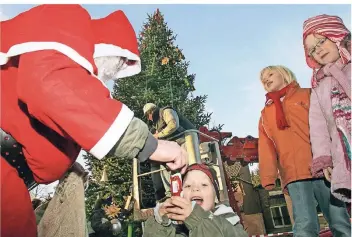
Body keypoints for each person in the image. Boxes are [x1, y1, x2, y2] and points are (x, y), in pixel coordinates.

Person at [0, 5, 187, 237]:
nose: (107, 78)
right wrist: (151, 144)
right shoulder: (67, 18)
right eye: (116, 66)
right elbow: (51, 86)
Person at [258, 65, 350, 237]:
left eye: (270, 73)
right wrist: (268, 177)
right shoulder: (265, 113)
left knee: (338, 219)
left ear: (284, 74)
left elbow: (328, 124)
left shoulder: (308, 95)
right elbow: (266, 147)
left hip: (323, 169)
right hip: (294, 174)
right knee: (304, 223)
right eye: (262, 78)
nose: (265, 79)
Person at [302, 14, 351, 203]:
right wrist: (324, 158)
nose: (318, 50)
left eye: (321, 41)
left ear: (335, 34)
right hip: (345, 154)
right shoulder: (319, 86)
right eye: (312, 49)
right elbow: (318, 128)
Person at [143, 163, 247, 237]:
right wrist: (161, 222)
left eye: (204, 184)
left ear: (215, 196)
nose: (195, 188)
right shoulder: (176, 228)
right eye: (188, 186)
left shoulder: (229, 222)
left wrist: (196, 219)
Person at [143, 103, 196, 201]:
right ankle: (170, 193)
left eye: (147, 116)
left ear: (150, 112)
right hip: (175, 145)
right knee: (164, 164)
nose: (149, 119)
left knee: (186, 164)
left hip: (185, 140)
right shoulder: (156, 124)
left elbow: (173, 125)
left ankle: (190, 188)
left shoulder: (166, 111)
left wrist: (157, 136)